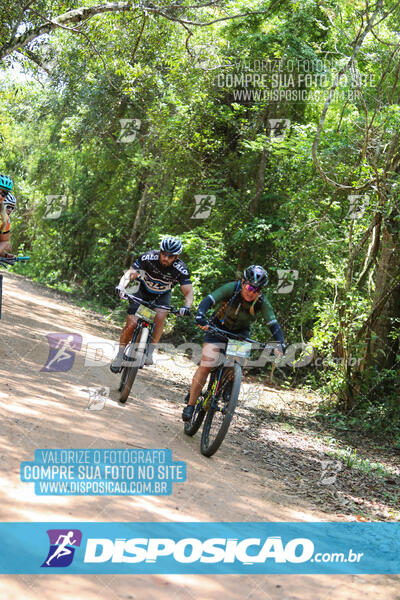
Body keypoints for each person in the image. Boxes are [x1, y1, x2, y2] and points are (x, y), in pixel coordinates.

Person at [182, 265, 286, 422]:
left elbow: (272, 323)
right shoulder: (231, 288)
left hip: (240, 333)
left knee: (238, 363)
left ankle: (230, 383)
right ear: (243, 282)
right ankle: (190, 405)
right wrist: (200, 315)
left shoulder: (261, 302)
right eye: (250, 287)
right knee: (207, 363)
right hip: (217, 327)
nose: (252, 292)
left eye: (257, 290)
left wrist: (281, 343)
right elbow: (209, 300)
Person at [110, 236, 194, 371]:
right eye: (164, 254)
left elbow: (188, 292)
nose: (166, 258)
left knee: (160, 318)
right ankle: (119, 356)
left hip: (162, 296)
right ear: (160, 251)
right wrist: (121, 286)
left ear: (177, 256)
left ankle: (149, 352)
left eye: (170, 256)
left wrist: (186, 307)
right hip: (142, 291)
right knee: (131, 324)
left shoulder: (181, 268)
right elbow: (130, 274)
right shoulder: (148, 257)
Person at [0, 175, 15, 258]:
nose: (0, 196)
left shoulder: (4, 218)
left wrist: (5, 255)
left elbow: (4, 242)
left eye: (3, 194)